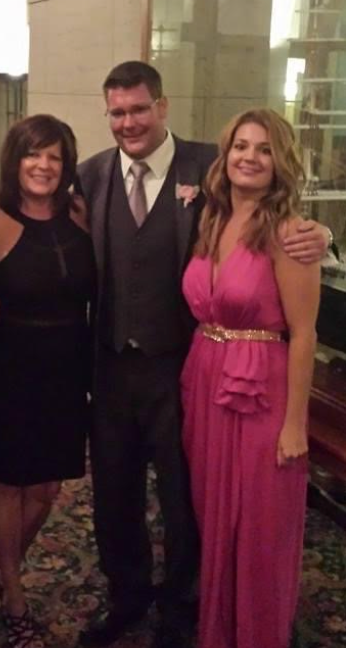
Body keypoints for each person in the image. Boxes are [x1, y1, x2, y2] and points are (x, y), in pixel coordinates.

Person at [75, 61, 329, 648]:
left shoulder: (204, 168)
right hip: (110, 366)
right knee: (115, 494)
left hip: (181, 366)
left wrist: (322, 237)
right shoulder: (90, 177)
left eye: (140, 108)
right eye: (117, 112)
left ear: (162, 107)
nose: (129, 121)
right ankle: (128, 595)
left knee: (186, 497)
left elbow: (273, 225)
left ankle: (183, 605)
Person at [181, 108, 319, 648]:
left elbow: (304, 333)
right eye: (241, 145)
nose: (250, 158)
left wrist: (295, 425)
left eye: (264, 149)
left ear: (280, 162)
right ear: (226, 153)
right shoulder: (212, 219)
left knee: (260, 527)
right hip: (206, 382)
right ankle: (219, 631)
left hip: (262, 391)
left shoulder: (291, 233)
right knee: (216, 520)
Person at [0, 115, 94, 648]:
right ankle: (16, 594)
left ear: (66, 165)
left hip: (68, 368)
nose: (43, 165)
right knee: (12, 481)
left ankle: (4, 567)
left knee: (48, 487)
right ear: (14, 160)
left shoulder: (80, 215)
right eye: (33, 154)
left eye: (54, 156)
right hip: (10, 370)